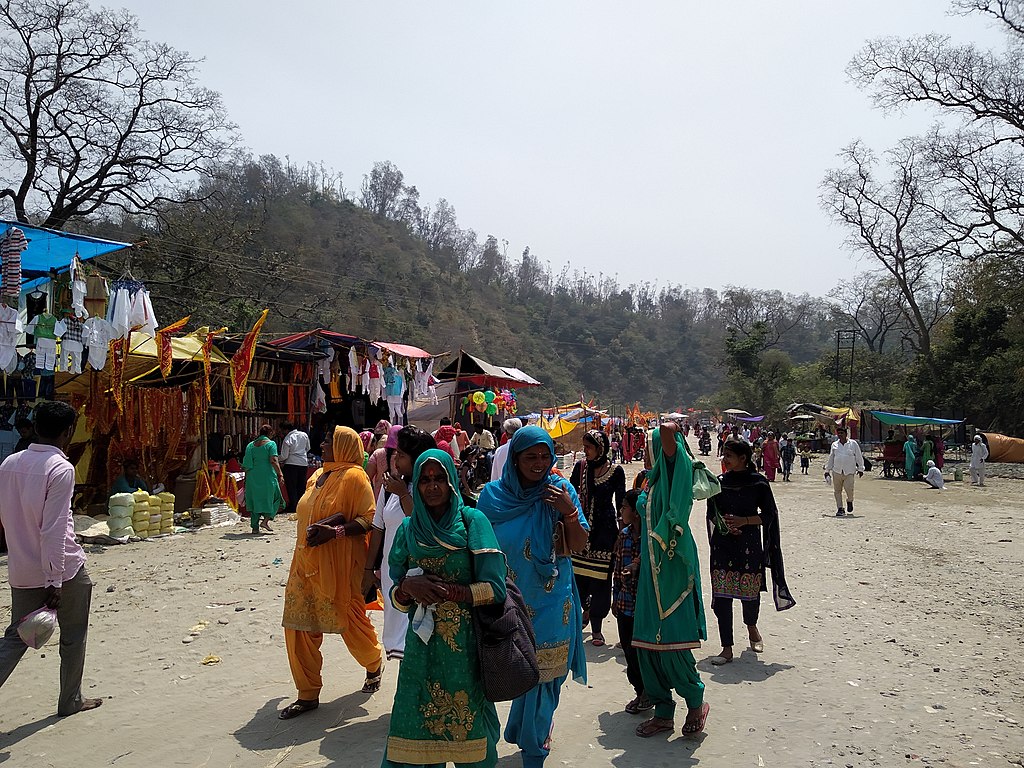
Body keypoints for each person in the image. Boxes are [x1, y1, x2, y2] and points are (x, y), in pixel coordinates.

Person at [381, 449, 507, 767]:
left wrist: (449, 591)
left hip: (464, 650)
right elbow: (396, 594)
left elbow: (495, 589)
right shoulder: (409, 530)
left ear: (452, 481)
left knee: (468, 731)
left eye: (440, 479)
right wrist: (409, 589)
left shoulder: (472, 521)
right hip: (419, 653)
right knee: (413, 727)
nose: (433, 486)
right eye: (425, 480)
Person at [476, 426, 589, 768]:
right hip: (509, 602)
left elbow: (580, 543)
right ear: (515, 458)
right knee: (517, 670)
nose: (539, 464)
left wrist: (568, 510)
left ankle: (534, 751)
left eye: (545, 456)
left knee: (546, 677)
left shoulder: (561, 490)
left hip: (553, 600)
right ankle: (527, 731)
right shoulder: (492, 498)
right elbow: (479, 549)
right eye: (530, 457)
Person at [0, 400, 102, 717]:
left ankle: (72, 699)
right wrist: (54, 580)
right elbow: (54, 529)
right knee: (73, 635)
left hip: (21, 567)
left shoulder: (10, 463)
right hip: (61, 569)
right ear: (69, 431)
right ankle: (70, 700)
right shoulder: (60, 468)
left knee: (17, 637)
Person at [279, 426, 384, 719]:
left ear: (344, 447)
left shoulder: (355, 476)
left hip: (340, 566)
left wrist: (334, 532)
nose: (323, 443)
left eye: (329, 440)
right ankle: (308, 693)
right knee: (298, 627)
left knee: (348, 621)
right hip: (304, 564)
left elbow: (369, 519)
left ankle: (374, 661)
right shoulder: (316, 476)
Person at [633, 422, 709, 739]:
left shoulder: (672, 473)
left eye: (649, 447)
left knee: (673, 643)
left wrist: (669, 432)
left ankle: (695, 702)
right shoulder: (650, 482)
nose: (646, 453)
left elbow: (668, 436)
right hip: (649, 574)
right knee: (647, 645)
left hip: (672, 567)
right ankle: (663, 711)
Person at [707, 439, 795, 666]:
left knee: (749, 593)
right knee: (723, 596)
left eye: (729, 456)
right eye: (724, 455)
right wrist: (725, 525)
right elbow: (711, 513)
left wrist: (744, 521)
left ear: (743, 459)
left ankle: (751, 626)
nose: (724, 460)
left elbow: (769, 516)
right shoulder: (719, 483)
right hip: (723, 545)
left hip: (748, 545)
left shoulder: (759, 483)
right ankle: (726, 648)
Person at [363, 425, 436, 661]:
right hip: (391, 572)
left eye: (402, 455)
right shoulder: (388, 489)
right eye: (396, 454)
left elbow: (421, 524)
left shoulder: (431, 490)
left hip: (420, 573)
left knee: (418, 636)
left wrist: (404, 493)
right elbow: (378, 528)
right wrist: (368, 569)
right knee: (398, 635)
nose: (396, 460)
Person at [569, 429, 625, 647]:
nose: (586, 451)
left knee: (601, 581)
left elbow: (621, 504)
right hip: (581, 534)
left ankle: (597, 629)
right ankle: (583, 611)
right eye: (584, 447)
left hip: (605, 533)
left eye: (589, 447)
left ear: (601, 449)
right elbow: (571, 496)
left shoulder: (615, 471)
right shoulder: (580, 468)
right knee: (578, 579)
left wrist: (623, 533)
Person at [612, 489, 651, 715]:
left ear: (636, 512)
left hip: (645, 606)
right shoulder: (624, 535)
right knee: (629, 650)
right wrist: (616, 597)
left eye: (624, 507)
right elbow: (617, 570)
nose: (621, 511)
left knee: (644, 653)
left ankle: (649, 692)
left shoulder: (650, 539)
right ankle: (640, 691)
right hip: (626, 604)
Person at [242, 424, 285, 534]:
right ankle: (265, 521)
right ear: (270, 433)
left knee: (255, 501)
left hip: (252, 477)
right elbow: (273, 460)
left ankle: (255, 527)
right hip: (267, 477)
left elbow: (246, 464)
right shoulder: (271, 444)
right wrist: (280, 474)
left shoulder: (250, 445)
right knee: (276, 498)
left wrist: (246, 479)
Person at [823, 425, 864, 517]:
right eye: (839, 433)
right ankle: (840, 508)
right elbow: (831, 458)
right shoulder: (834, 445)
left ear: (846, 434)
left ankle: (850, 501)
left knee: (849, 489)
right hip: (836, 471)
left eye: (842, 433)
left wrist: (861, 468)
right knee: (837, 491)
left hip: (849, 471)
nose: (840, 435)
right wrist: (827, 470)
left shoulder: (853, 444)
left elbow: (858, 457)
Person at [278, 421, 311, 516]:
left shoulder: (288, 438)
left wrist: (276, 458)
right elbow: (308, 448)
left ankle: (293, 506)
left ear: (285, 430)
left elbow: (284, 456)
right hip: (303, 463)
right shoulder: (304, 435)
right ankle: (301, 505)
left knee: (291, 486)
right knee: (301, 486)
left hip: (291, 464)